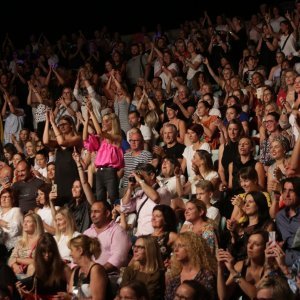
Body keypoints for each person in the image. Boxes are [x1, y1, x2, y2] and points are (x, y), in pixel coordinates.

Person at [121, 163, 172, 236]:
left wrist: (140, 181)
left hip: (155, 236)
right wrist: (130, 188)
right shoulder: (140, 193)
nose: (138, 179)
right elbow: (124, 207)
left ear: (152, 175)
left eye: (142, 176)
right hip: (139, 235)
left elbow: (155, 198)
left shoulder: (163, 191)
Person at [16, 233, 71, 299]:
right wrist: (24, 293)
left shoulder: (64, 269)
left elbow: (76, 293)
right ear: (39, 253)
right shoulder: (33, 268)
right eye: (43, 252)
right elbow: (31, 295)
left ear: (54, 251)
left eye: (50, 251)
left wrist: (68, 297)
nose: (47, 255)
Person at [217, 230, 269, 300]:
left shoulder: (269, 270)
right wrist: (220, 268)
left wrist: (233, 271)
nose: (250, 247)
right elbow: (223, 297)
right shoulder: (240, 266)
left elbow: (254, 295)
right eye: (249, 242)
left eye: (256, 244)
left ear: (265, 248)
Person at [43, 112, 81, 206]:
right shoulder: (57, 143)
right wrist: (48, 122)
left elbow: (62, 142)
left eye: (64, 124)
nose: (61, 127)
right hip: (59, 181)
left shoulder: (77, 138)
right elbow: (45, 141)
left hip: (71, 180)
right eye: (60, 125)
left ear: (71, 125)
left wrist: (53, 123)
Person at [165, 232, 216, 300]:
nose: (175, 250)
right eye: (175, 246)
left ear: (192, 248)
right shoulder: (173, 274)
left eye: (180, 246)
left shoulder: (206, 275)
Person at [84, 201, 131, 274]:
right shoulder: (87, 233)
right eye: (91, 212)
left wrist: (96, 272)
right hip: (87, 275)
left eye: (96, 212)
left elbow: (118, 258)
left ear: (107, 213)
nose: (93, 215)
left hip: (109, 276)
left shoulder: (118, 231)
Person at [65, 235, 112, 300]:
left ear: (80, 250)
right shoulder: (76, 271)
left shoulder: (96, 270)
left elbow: (98, 299)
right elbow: (74, 296)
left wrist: (72, 298)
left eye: (71, 250)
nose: (70, 254)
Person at [120, 235, 165, 300]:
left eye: (140, 247)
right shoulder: (130, 270)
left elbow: (148, 296)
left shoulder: (157, 274)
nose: (135, 250)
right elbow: (121, 293)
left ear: (150, 250)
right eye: (135, 246)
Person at [8, 213, 44, 279]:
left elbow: (38, 261)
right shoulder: (21, 242)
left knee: (32, 266)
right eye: (24, 221)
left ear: (36, 224)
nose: (24, 224)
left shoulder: (42, 241)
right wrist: (15, 266)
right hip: (18, 271)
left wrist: (17, 259)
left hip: (35, 272)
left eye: (28, 221)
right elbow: (11, 258)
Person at [276, 177, 300, 266]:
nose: (287, 195)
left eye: (291, 191)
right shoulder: (280, 216)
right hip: (285, 261)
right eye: (285, 190)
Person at [0, 188, 23, 253]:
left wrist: (2, 223)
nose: (3, 199)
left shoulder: (16, 210)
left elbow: (16, 229)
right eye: (2, 197)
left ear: (13, 199)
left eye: (7, 197)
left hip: (12, 248)